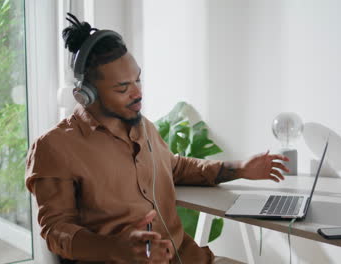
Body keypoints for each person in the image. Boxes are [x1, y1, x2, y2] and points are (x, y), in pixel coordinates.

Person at [25, 13, 290, 264]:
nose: (137, 93)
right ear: (85, 95)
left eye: (138, 80)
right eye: (123, 87)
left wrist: (240, 169)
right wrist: (117, 248)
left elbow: (174, 167)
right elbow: (56, 231)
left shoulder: (143, 128)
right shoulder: (55, 148)